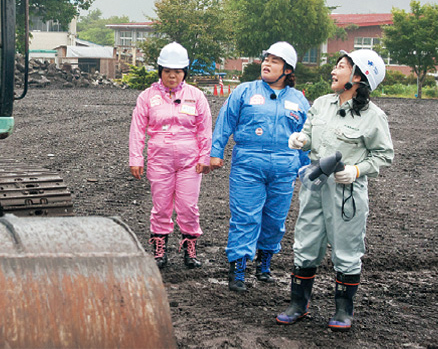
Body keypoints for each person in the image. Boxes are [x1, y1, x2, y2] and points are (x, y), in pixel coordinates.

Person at [276, 50, 393, 331]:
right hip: (315, 182)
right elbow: (309, 133)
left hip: (346, 191)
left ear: (357, 76)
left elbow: (384, 155)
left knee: (347, 248)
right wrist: (301, 139)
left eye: (341, 67)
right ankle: (298, 305)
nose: (333, 71)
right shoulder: (321, 104)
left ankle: (343, 311)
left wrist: (355, 171)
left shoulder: (373, 116)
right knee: (306, 241)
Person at [210, 41, 310, 292]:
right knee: (245, 217)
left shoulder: (299, 100)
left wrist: (308, 168)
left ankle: (264, 263)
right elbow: (225, 121)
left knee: (275, 220)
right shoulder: (244, 91)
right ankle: (239, 267)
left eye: (275, 61)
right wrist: (215, 152)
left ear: (288, 69)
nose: (267, 64)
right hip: (248, 165)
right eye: (266, 59)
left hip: (285, 167)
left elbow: (309, 136)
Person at [129, 42, 212, 269]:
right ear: (160, 71)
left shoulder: (196, 96)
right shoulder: (147, 97)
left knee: (188, 206)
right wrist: (136, 158)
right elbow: (137, 129)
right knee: (161, 205)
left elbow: (204, 128)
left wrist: (205, 157)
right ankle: (159, 249)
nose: (172, 76)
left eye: (177, 71)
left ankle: (190, 248)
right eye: (167, 71)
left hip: (189, 162)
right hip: (159, 158)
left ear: (185, 71)